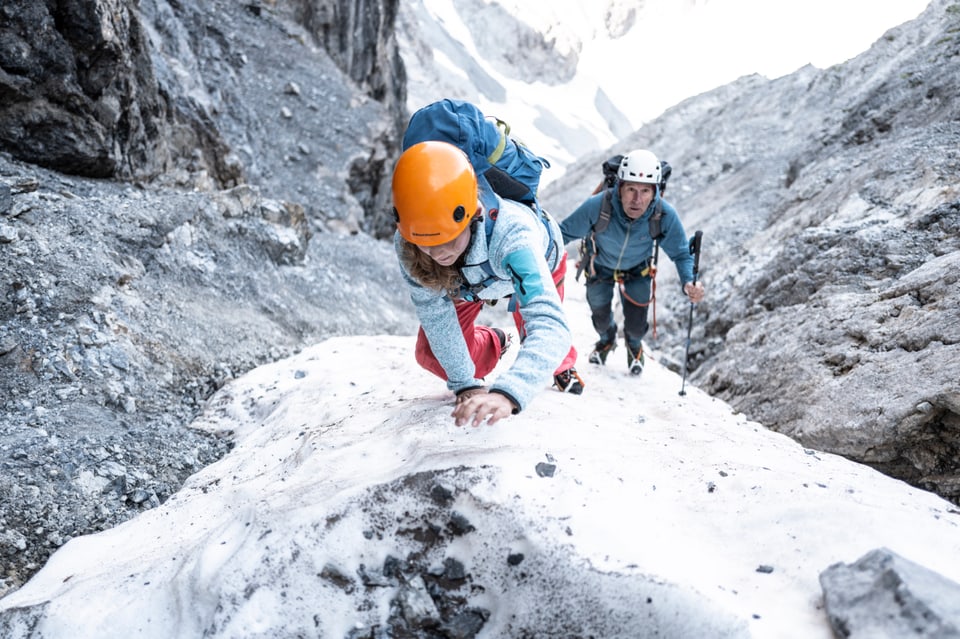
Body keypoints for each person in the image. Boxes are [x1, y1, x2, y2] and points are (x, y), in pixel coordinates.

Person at [392, 140, 584, 428]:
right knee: (429, 354)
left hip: (537, 260)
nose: (439, 253)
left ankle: (564, 367)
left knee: (544, 345)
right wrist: (466, 384)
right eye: (426, 245)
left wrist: (509, 393)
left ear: (476, 212)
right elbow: (435, 315)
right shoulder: (411, 235)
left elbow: (550, 323)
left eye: (449, 239)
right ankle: (497, 342)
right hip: (471, 280)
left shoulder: (514, 237)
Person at [560, 149, 705, 375]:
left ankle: (634, 345)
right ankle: (607, 339)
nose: (637, 200)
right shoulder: (600, 205)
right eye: (631, 189)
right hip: (600, 266)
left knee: (637, 326)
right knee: (599, 318)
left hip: (638, 270)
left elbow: (680, 253)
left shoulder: (663, 214)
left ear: (655, 190)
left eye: (645, 191)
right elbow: (563, 233)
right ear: (620, 187)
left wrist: (689, 282)